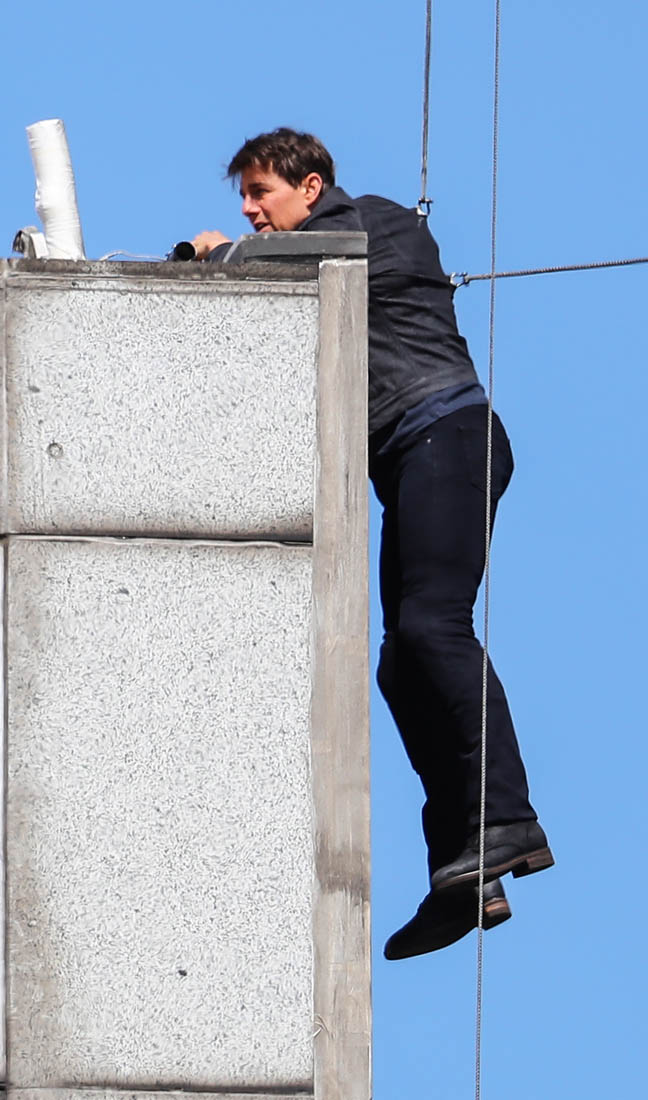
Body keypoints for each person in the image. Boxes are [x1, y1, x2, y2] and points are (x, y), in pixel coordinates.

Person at [191, 128, 554, 960]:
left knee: (431, 627)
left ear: (311, 187)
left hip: (448, 435)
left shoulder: (371, 225)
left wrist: (220, 257)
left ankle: (507, 818)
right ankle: (465, 867)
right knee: (400, 661)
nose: (249, 210)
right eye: (243, 199)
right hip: (416, 456)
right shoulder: (316, 254)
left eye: (260, 193)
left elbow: (291, 259)